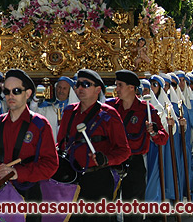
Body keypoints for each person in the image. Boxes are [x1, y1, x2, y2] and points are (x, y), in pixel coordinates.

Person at [0, 69, 58, 222]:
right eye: (6, 92)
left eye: (16, 91)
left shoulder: (40, 125)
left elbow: (51, 165)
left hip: (28, 194)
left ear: (27, 94)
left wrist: (18, 172)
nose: (10, 96)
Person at [57, 69, 131, 222]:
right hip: (71, 179)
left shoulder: (109, 115)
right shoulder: (69, 112)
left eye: (86, 84)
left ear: (98, 89)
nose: (80, 88)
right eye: (78, 84)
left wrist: (107, 159)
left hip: (99, 179)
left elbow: (124, 151)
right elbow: (61, 143)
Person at [107, 70, 167, 222]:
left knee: (134, 210)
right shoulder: (109, 107)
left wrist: (153, 132)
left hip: (135, 163)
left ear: (131, 87)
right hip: (113, 163)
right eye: (116, 85)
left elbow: (162, 138)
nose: (117, 89)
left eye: (120, 85)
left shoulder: (146, 110)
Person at [31, 76, 79, 141]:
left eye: (64, 88)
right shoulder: (49, 108)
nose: (61, 91)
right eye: (59, 87)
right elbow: (33, 111)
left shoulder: (76, 110)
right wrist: (37, 97)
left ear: (70, 91)